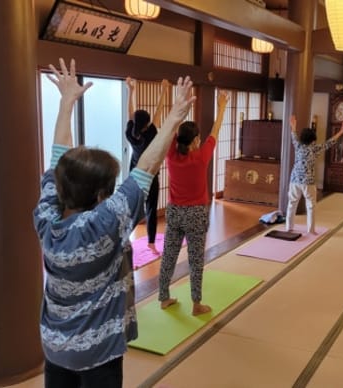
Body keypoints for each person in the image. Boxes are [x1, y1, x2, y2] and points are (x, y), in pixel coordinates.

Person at [33, 58, 195, 387]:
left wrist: (66, 104)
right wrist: (176, 115)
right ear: (100, 195)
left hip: (54, 346)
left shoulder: (46, 219)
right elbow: (146, 168)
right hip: (98, 352)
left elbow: (56, 160)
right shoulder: (103, 224)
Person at [158, 90, 229, 315]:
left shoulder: (171, 155)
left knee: (169, 254)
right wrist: (222, 105)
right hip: (196, 214)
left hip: (174, 212)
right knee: (195, 258)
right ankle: (197, 303)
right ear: (196, 140)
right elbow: (215, 131)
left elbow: (168, 127)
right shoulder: (201, 157)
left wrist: (178, 106)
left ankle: (164, 297)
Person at [125, 77, 169, 255]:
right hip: (150, 177)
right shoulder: (151, 133)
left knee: (132, 208)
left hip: (134, 177)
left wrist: (130, 90)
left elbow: (130, 114)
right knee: (151, 209)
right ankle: (151, 243)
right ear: (147, 124)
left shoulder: (130, 133)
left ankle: (125, 237)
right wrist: (164, 90)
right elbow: (158, 112)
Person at [286, 115, 343, 234]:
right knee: (311, 206)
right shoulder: (315, 149)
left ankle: (289, 227)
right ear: (312, 140)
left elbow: (293, 134)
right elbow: (330, 142)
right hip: (308, 182)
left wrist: (293, 125)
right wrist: (341, 132)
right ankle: (311, 230)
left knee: (291, 204)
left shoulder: (298, 146)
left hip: (294, 180)